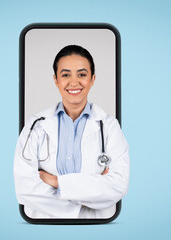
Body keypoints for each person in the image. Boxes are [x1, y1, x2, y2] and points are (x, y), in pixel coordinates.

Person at [14, 45, 130, 218]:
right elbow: (25, 189)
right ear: (56, 80)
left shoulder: (109, 126)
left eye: (82, 74)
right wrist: (91, 194)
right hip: (43, 229)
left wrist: (55, 181)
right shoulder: (35, 125)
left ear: (92, 79)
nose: (74, 82)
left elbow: (117, 186)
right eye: (66, 75)